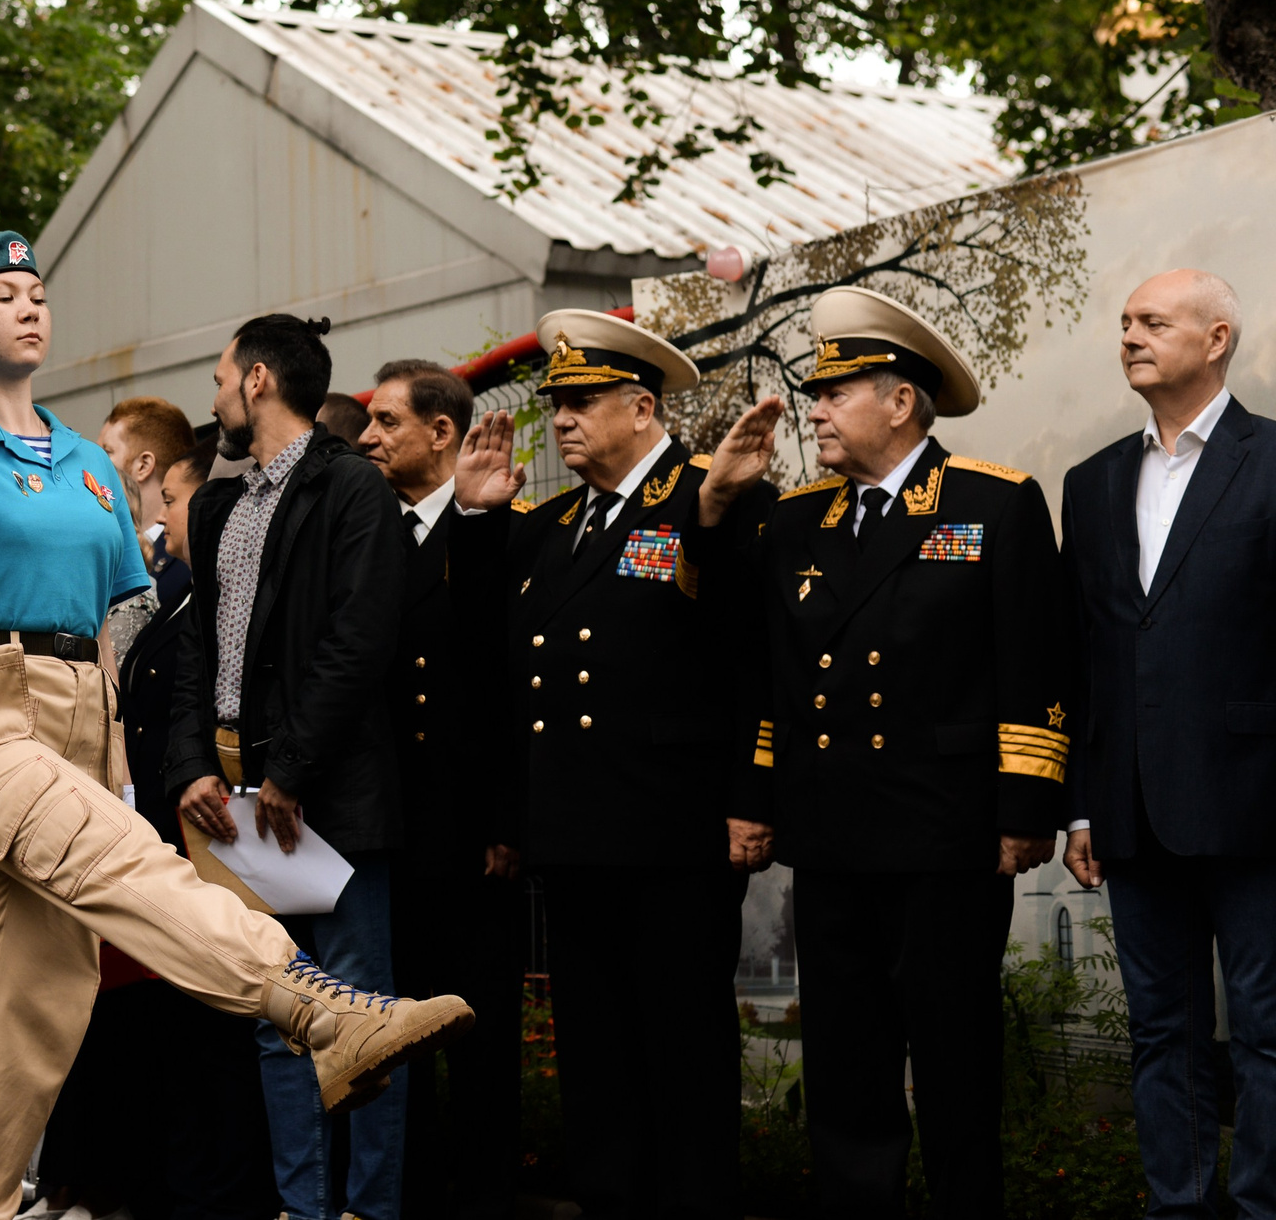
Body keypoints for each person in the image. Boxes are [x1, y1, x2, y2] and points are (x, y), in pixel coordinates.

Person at [0, 229, 472, 1220]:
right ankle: (314, 1006)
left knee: (33, 999)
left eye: (38, 290)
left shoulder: (82, 460)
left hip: (77, 713)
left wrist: (115, 766)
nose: (31, 303)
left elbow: (109, 635)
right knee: (131, 867)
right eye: (1, 292)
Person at [695, 286, 1069, 1214]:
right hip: (829, 835)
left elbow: (1037, 662)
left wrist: (1026, 807)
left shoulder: (994, 502)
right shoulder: (793, 520)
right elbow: (749, 660)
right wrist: (715, 505)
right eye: (816, 394)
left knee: (953, 1055)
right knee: (847, 1060)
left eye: (836, 392)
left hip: (947, 834)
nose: (814, 410)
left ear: (900, 401)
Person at [447, 309, 768, 1220]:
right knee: (593, 1055)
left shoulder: (712, 493)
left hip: (674, 830)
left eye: (584, 401)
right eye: (557, 404)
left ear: (640, 404)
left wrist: (752, 798)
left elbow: (750, 651)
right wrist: (475, 520)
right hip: (572, 831)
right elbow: (488, 660)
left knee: (682, 1049)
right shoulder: (547, 524)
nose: (564, 420)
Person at [169, 314, 412, 1220]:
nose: (216, 397)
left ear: (259, 378)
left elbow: (359, 641)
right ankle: (301, 1210)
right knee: (279, 1023)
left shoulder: (354, 489)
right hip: (237, 804)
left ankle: (368, 1209)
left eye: (222, 377)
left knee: (367, 1023)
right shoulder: (218, 504)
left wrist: (293, 770)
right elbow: (197, 652)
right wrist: (191, 763)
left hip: (329, 802)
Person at [1058, 269, 1275, 1217]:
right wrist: (1079, 803)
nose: (1131, 336)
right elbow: (1083, 654)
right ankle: (1179, 1206)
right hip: (1132, 810)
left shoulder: (1272, 462)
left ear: (1216, 337)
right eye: (1124, 323)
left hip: (1259, 804)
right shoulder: (1094, 480)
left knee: (1269, 1032)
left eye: (1154, 321)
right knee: (1162, 1030)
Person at [41, 436, 277, 1220]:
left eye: (174, 500)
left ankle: (216, 1191)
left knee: (217, 1035)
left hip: (212, 834)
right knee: (178, 1038)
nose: (164, 516)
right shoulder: (177, 597)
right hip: (162, 832)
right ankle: (172, 1185)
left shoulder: (210, 598)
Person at [361, 360, 519, 1220]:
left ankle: (488, 1199)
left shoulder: (490, 527)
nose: (370, 436)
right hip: (387, 830)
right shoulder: (369, 531)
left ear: (442, 432)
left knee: (481, 1037)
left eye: (387, 421)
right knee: (400, 1034)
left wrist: (503, 820)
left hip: (468, 835)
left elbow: (502, 680)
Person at [97, 395, 196, 593]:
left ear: (143, 465)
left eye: (105, 453)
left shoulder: (186, 558)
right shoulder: (107, 548)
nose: (93, 465)